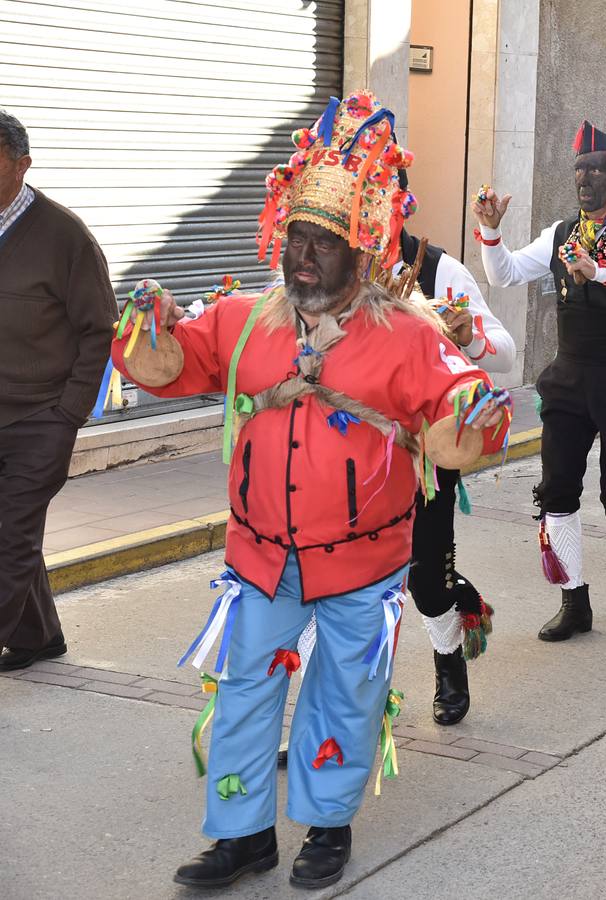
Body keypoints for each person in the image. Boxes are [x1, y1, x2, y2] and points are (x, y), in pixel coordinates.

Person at [117, 91, 511, 889]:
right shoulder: (241, 319)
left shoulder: (408, 336)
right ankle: (243, 834)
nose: (304, 254)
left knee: (346, 695)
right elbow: (174, 362)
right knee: (242, 695)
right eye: (296, 234)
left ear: (362, 249)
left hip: (363, 567)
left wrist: (471, 415)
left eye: (325, 241)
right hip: (259, 559)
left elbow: (464, 398)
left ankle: (327, 826)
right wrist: (149, 331)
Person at [474, 121, 606, 639]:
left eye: (597, 169)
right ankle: (574, 598)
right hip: (569, 379)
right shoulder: (561, 232)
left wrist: (599, 270)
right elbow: (506, 274)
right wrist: (491, 232)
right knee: (557, 490)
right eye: (580, 169)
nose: (585, 179)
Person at [0, 109, 116, 671]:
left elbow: (100, 329)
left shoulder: (63, 234)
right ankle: (37, 636)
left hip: (41, 415)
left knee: (8, 536)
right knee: (14, 535)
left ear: (22, 164)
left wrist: (71, 410)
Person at [395, 209, 517, 727]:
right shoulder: (318, 268)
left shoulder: (440, 271)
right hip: (340, 457)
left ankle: (449, 660)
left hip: (424, 455)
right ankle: (329, 710)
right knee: (331, 585)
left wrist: (466, 339)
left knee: (426, 580)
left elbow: (506, 353)